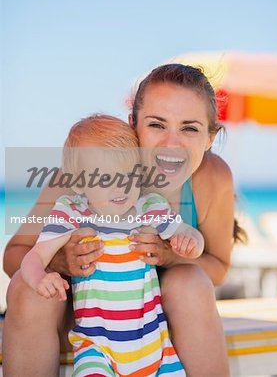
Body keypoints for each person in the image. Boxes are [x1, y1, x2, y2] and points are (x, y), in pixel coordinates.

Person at [3, 63, 244, 376]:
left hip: (157, 324)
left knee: (191, 281)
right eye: (157, 125)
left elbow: (219, 268)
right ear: (133, 124)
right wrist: (62, 261)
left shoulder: (213, 177)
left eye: (189, 128)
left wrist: (171, 257)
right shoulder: (87, 174)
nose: (172, 144)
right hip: (87, 324)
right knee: (26, 287)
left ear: (209, 138)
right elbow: (14, 256)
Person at [20, 114, 204, 376]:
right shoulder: (72, 213)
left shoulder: (149, 207)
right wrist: (39, 278)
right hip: (97, 348)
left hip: (155, 346)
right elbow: (34, 256)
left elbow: (188, 234)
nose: (120, 187)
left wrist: (191, 242)